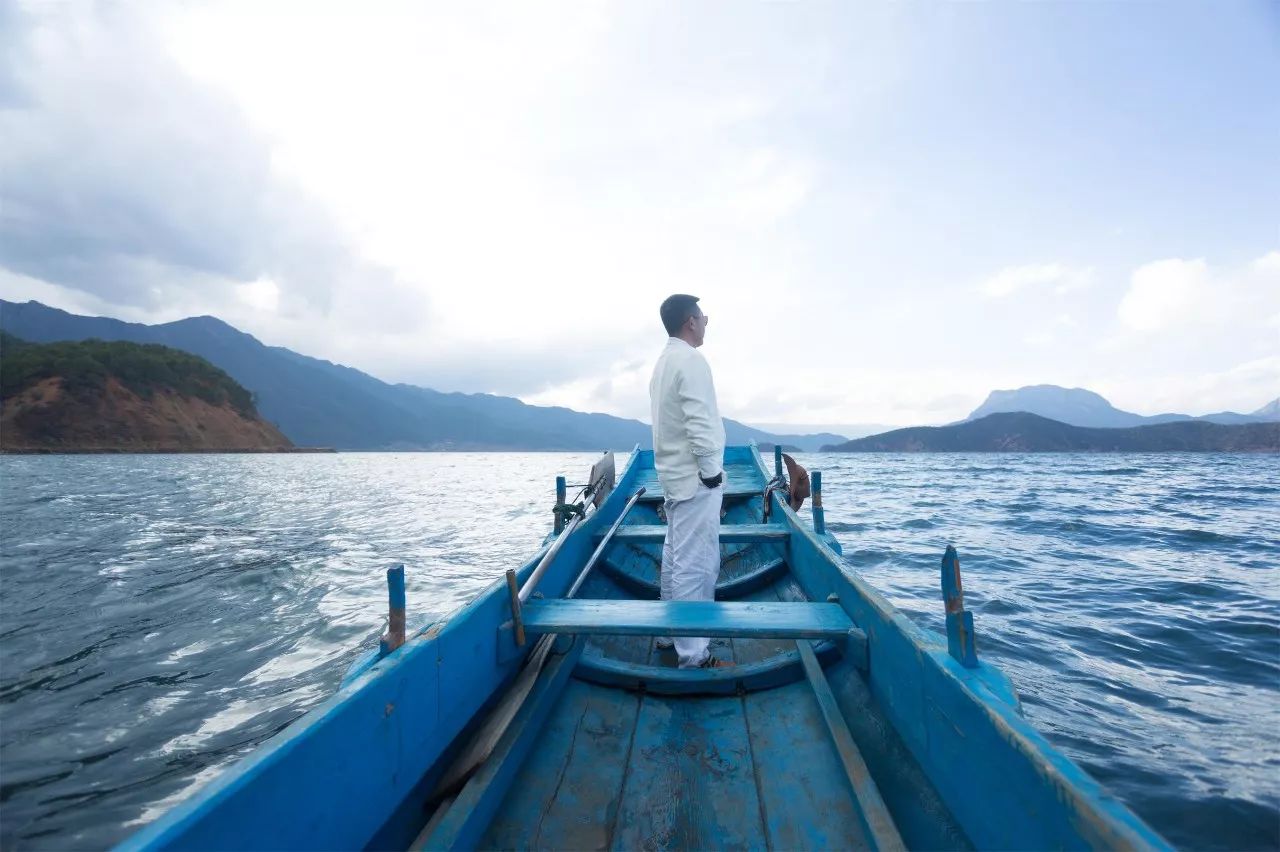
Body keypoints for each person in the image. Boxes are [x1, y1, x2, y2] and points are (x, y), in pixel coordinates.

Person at [648, 294, 732, 669]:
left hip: (674, 477)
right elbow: (699, 422)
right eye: (703, 316)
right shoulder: (690, 360)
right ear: (690, 322)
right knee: (695, 565)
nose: (706, 321)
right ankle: (693, 655)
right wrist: (712, 473)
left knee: (675, 557)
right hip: (696, 480)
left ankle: (669, 631)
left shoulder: (663, 362)